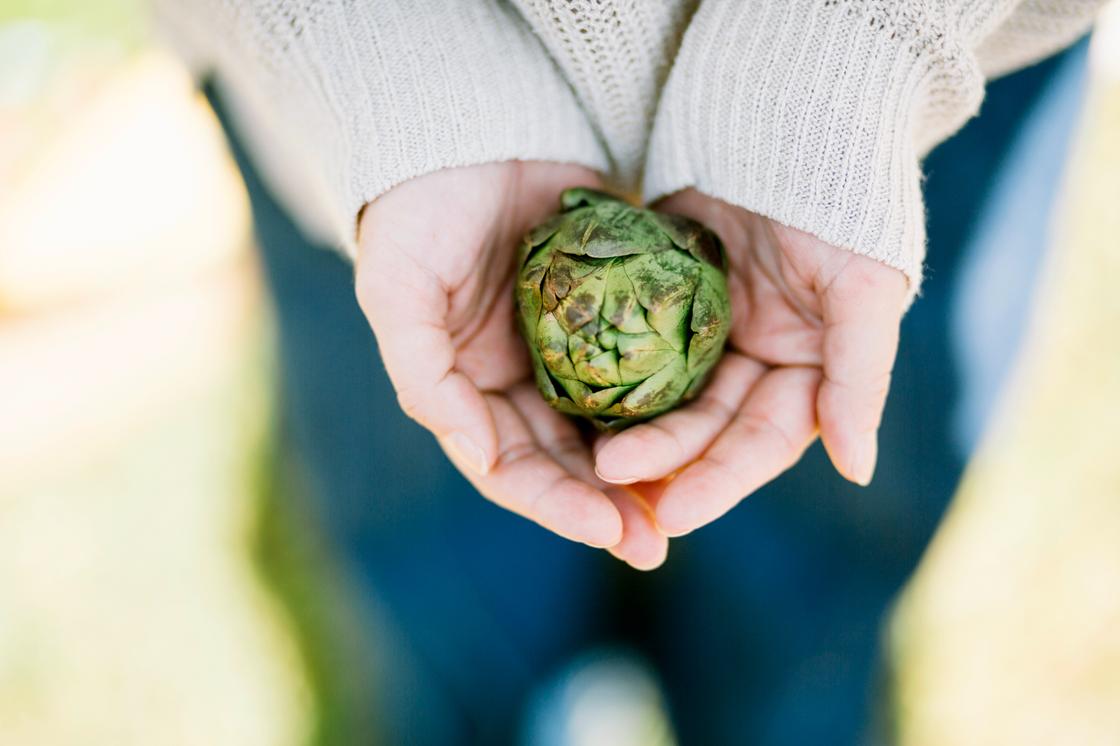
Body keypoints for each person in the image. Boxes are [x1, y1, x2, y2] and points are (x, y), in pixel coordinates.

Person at [156, 2, 1104, 743]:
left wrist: (862, 41)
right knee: (432, 588)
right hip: (369, 123)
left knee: (817, 596)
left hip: (905, 107)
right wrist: (367, 55)